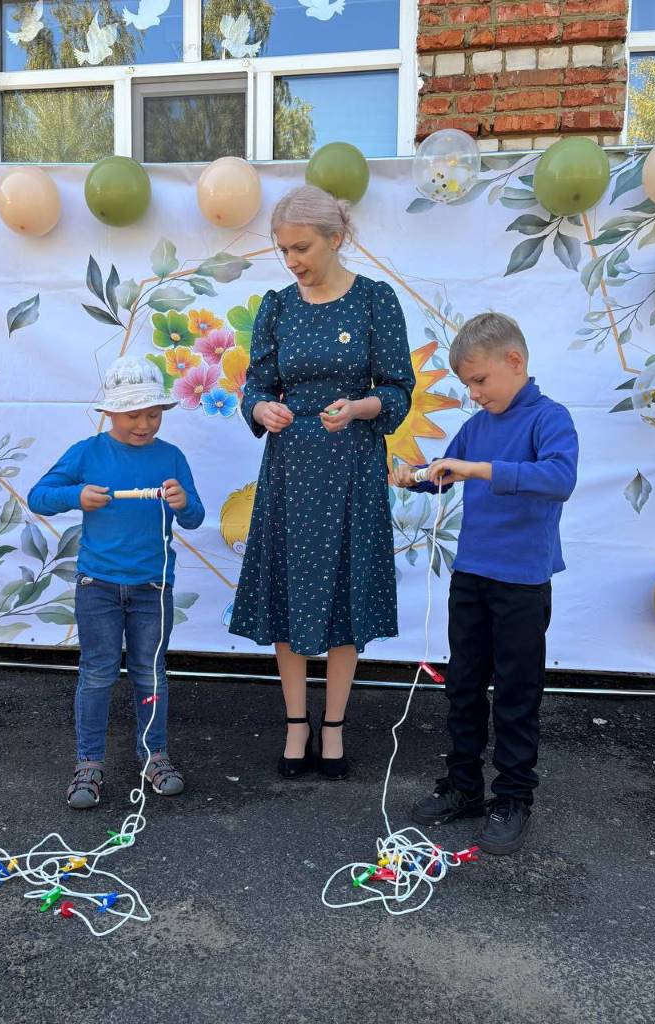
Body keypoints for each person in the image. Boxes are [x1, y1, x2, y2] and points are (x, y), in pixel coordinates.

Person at [229, 184, 415, 781]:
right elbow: (257, 386)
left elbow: (398, 390)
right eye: (283, 249)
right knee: (288, 591)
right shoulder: (277, 306)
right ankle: (296, 724)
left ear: (336, 238)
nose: (292, 261)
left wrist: (360, 408)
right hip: (288, 469)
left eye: (301, 248)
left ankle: (333, 725)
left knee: (344, 594)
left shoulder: (375, 300)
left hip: (352, 465)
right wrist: (261, 409)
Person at [393, 312, 578, 854]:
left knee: (517, 692)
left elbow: (560, 478)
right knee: (464, 685)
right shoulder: (477, 427)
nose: (473, 394)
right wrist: (417, 475)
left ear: (514, 361)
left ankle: (513, 797)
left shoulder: (550, 417)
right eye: (467, 384)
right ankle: (463, 787)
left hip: (522, 582)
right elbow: (448, 469)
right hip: (471, 575)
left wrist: (479, 469)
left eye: (479, 381)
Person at [27, 357, 204, 809]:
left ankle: (154, 755)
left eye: (153, 414)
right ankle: (88, 762)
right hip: (97, 585)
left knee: (151, 673)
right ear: (110, 412)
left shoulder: (171, 457)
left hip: (153, 587)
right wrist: (76, 495)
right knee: (97, 673)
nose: (144, 424)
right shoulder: (87, 452)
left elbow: (195, 517)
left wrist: (183, 503)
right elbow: (38, 497)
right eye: (133, 415)